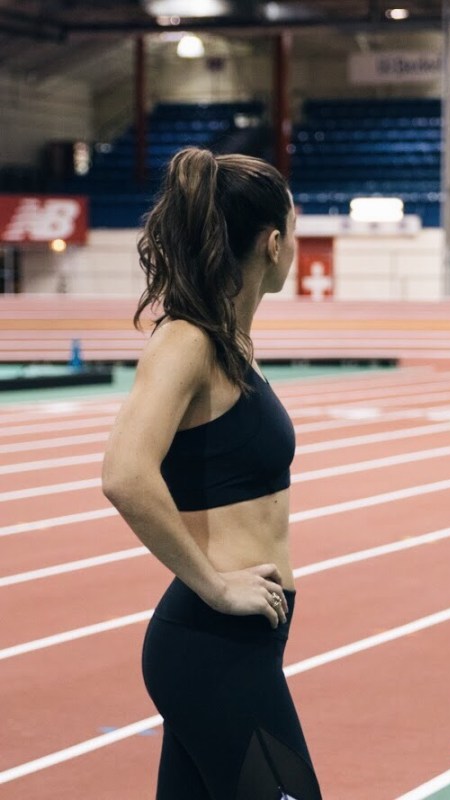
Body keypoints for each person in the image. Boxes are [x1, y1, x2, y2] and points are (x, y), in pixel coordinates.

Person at [101, 147, 322, 800]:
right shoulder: (187, 341)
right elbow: (124, 474)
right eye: (295, 231)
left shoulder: (229, 343)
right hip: (212, 642)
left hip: (238, 643)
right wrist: (217, 587)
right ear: (273, 243)